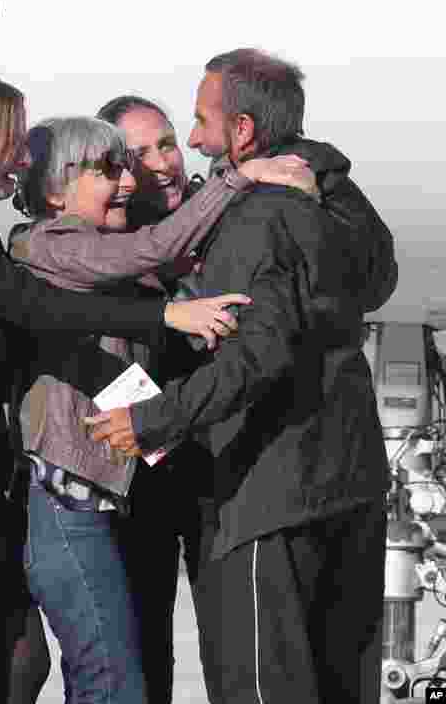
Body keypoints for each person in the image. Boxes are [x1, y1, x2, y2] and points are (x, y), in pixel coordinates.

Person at [0, 72, 251, 704]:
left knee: (24, 667)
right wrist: (164, 313)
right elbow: (35, 307)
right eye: (13, 143)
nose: (23, 160)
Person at [88, 48, 397, 704]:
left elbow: (260, 351)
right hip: (348, 486)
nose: (189, 146)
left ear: (247, 133)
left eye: (193, 127)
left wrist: (150, 419)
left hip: (267, 495)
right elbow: (378, 276)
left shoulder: (253, 214)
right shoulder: (320, 199)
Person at [7, 115, 316, 704]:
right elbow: (155, 248)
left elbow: (155, 270)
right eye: (107, 170)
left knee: (109, 680)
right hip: (70, 509)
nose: (126, 181)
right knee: (115, 685)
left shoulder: (95, 255)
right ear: (55, 189)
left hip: (95, 503)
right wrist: (240, 177)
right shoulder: (53, 244)